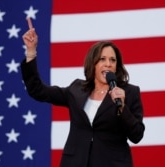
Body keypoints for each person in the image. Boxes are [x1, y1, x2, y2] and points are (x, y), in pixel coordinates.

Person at [21, 18, 145, 167]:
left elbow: (137, 135)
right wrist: (31, 51)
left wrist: (123, 108)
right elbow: (37, 90)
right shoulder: (77, 89)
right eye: (102, 59)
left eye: (113, 60)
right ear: (93, 63)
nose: (108, 64)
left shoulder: (129, 92)